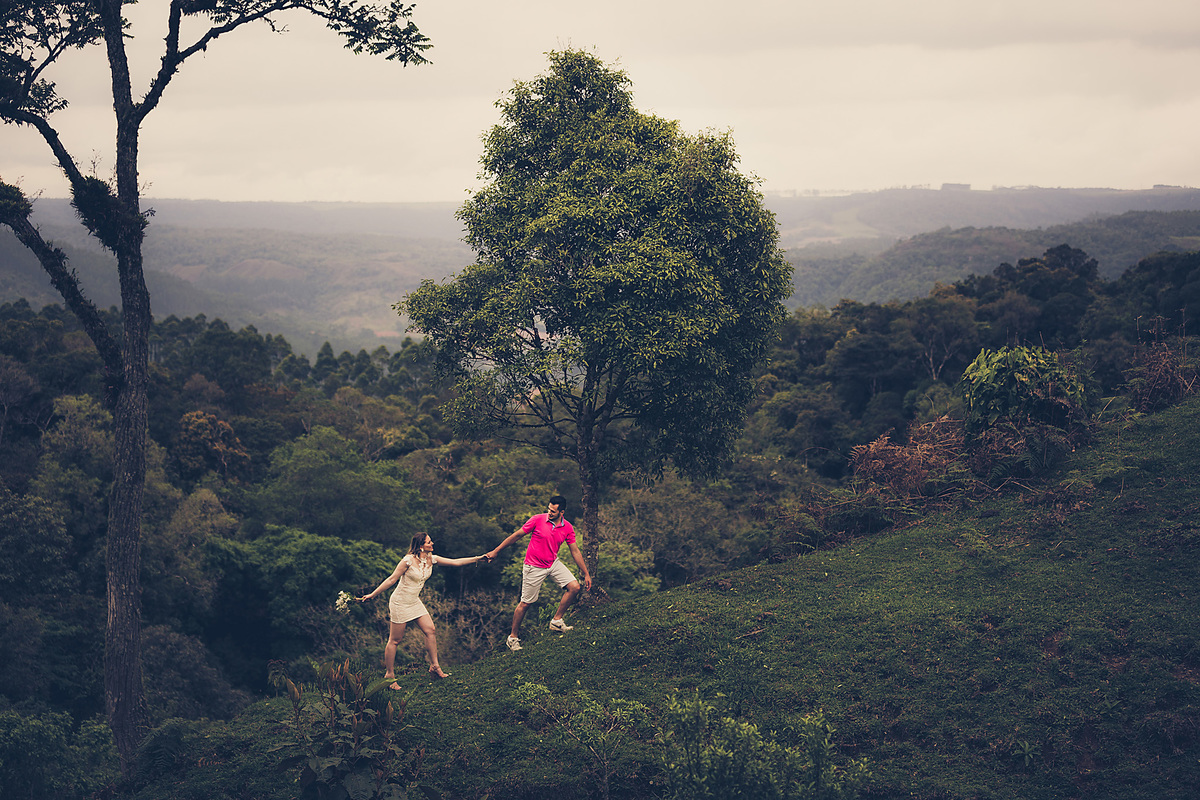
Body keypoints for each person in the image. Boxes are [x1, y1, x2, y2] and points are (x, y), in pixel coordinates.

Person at [358, 532, 489, 686]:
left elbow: (456, 562)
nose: (432, 544)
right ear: (421, 546)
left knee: (430, 630)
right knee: (395, 640)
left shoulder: (432, 559)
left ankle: (435, 667)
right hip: (399, 602)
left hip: (414, 601)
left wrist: (479, 558)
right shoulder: (407, 561)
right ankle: (389, 676)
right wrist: (372, 594)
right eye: (429, 542)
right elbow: (391, 579)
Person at [486, 495, 592, 651]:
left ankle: (556, 621)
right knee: (526, 603)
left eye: (553, 511)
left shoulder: (568, 527)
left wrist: (586, 573)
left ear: (561, 512)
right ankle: (513, 638)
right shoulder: (537, 519)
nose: (549, 513)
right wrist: (496, 551)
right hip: (533, 566)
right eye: (549, 509)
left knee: (575, 587)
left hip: (552, 563)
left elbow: (575, 551)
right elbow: (517, 535)